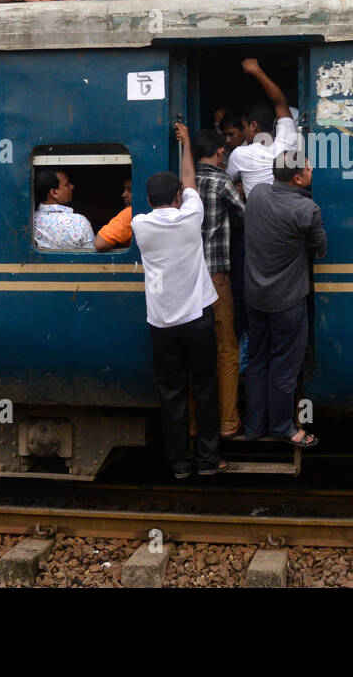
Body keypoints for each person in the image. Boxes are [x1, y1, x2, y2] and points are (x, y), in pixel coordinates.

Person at [132, 122, 224, 478]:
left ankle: (180, 465)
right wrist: (186, 143)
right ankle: (209, 460)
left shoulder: (141, 224)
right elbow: (190, 182)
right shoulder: (190, 217)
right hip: (197, 320)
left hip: (162, 325)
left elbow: (182, 187)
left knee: (172, 395)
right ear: (176, 197)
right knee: (204, 390)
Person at [241, 150, 324, 447]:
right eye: (307, 168)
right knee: (284, 367)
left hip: (254, 296)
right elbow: (320, 247)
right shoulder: (307, 210)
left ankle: (253, 426)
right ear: (298, 178)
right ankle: (281, 427)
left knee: (257, 361)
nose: (312, 168)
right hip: (287, 301)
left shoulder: (258, 195)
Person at [194, 129, 245, 437]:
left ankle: (194, 424)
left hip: (188, 278)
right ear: (219, 153)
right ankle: (227, 423)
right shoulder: (219, 180)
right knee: (226, 348)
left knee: (194, 352)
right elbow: (246, 214)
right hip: (216, 276)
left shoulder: (183, 184)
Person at [226, 58, 298, 194]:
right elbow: (280, 103)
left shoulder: (240, 154)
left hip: (257, 214)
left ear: (253, 126)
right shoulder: (287, 144)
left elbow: (227, 182)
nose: (243, 133)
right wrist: (257, 71)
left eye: (243, 127)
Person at [32, 168, 96, 249]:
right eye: (67, 184)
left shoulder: (31, 221)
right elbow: (92, 258)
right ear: (54, 193)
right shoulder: (79, 222)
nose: (72, 186)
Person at [94, 177, 134, 251]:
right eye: (124, 190)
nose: (124, 195)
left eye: (130, 190)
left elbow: (100, 243)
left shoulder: (130, 212)